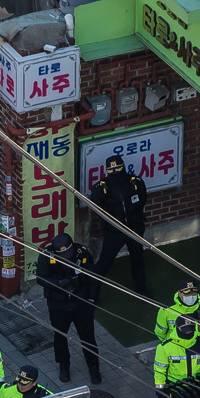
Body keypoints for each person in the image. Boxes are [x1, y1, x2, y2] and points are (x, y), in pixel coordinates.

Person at [36, 221, 102, 384]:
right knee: (59, 337)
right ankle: (63, 365)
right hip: (58, 305)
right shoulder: (47, 255)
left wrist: (92, 298)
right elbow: (41, 278)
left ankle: (94, 367)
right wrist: (59, 284)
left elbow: (93, 278)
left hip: (81, 303)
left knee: (88, 337)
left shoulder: (82, 253)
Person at [91, 153, 149, 292]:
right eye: (111, 170)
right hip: (113, 232)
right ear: (107, 170)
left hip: (134, 229)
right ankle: (92, 293)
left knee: (138, 258)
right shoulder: (100, 187)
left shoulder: (136, 182)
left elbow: (142, 200)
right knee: (104, 263)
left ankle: (140, 289)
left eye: (118, 168)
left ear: (123, 167)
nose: (115, 172)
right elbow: (96, 206)